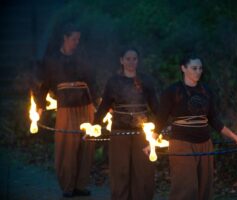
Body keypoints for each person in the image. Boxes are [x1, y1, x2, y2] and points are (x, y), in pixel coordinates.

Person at [154, 54, 237, 200]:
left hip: (205, 144)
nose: (198, 71)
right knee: (186, 188)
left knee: (205, 187)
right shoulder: (172, 91)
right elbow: (160, 119)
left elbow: (213, 119)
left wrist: (234, 136)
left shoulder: (206, 90)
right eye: (194, 68)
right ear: (183, 68)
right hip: (181, 144)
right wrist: (151, 142)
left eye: (200, 68)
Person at [35, 24, 97, 198]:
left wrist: (96, 103)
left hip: (85, 106)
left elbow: (92, 81)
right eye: (73, 39)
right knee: (67, 148)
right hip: (66, 108)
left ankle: (80, 185)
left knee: (86, 147)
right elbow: (45, 85)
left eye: (78, 39)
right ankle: (67, 186)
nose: (76, 42)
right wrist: (40, 107)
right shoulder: (52, 59)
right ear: (65, 37)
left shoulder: (82, 57)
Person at [94, 47, 158, 200]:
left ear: (138, 60)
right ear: (121, 60)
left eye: (134, 59)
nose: (131, 62)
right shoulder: (113, 81)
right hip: (119, 132)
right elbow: (104, 105)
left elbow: (155, 105)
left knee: (142, 169)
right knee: (120, 169)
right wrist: (94, 124)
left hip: (142, 133)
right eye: (128, 59)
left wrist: (165, 124)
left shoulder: (146, 81)